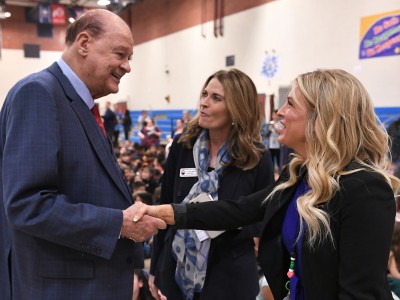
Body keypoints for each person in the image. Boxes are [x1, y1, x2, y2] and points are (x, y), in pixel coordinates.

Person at [136, 69, 400, 300]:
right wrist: (165, 212)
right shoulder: (298, 174)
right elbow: (238, 210)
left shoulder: (365, 189)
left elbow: (359, 292)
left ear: (321, 119)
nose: (279, 112)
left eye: (290, 104)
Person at [0, 9, 166, 300]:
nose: (127, 67)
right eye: (120, 54)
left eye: (129, 58)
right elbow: (27, 204)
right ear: (84, 43)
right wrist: (119, 224)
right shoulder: (39, 94)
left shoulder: (79, 103)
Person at [149, 68, 274, 300]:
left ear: (237, 107)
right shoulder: (182, 145)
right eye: (205, 94)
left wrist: (215, 221)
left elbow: (263, 219)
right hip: (177, 269)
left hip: (229, 277)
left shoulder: (256, 156)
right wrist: (155, 269)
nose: (204, 103)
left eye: (216, 98)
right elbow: (164, 206)